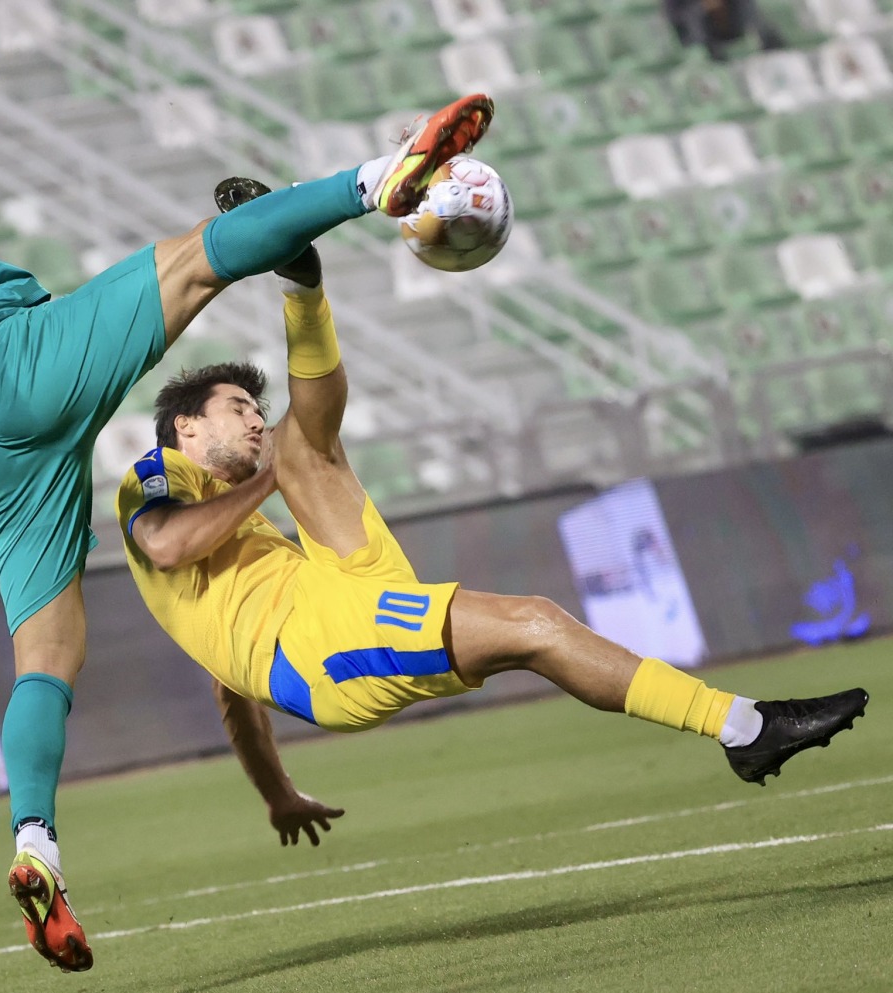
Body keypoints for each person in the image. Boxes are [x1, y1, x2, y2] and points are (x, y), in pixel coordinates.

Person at [0, 60, 495, 972]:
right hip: (10, 358)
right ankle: (381, 177)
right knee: (194, 262)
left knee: (47, 654)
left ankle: (36, 844)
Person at [115, 181, 868, 849]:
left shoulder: (243, 540)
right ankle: (747, 727)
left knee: (311, 446)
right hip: (316, 646)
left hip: (341, 597)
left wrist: (279, 794)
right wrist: (271, 476)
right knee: (533, 621)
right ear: (186, 429)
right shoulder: (157, 476)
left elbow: (228, 690)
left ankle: (302, 284)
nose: (253, 420)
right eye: (237, 409)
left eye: (255, 407)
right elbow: (170, 543)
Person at [663, 0, 785, 62]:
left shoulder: (743, 12)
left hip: (741, 40)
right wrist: (703, 6)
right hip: (705, 45)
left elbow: (753, 18)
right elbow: (674, 14)